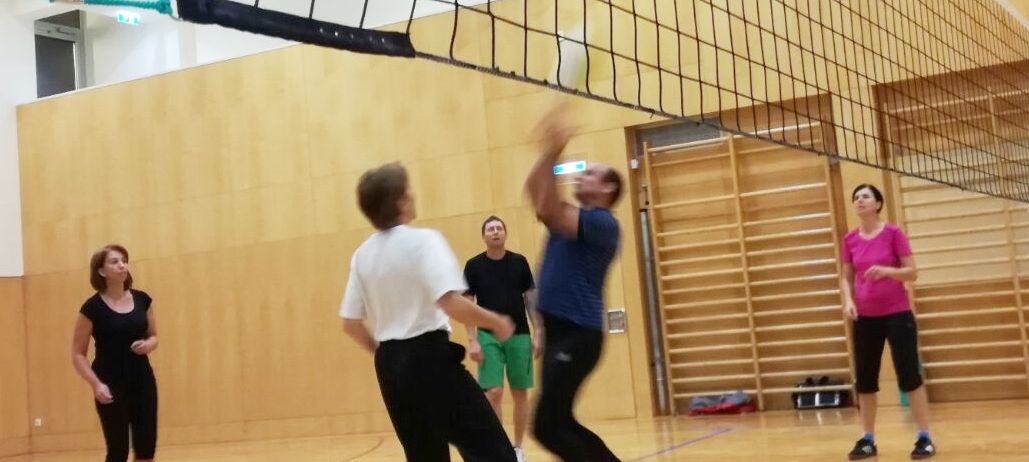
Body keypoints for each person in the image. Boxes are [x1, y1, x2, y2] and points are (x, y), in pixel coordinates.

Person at [339, 162, 518, 462]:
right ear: (401, 201)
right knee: (494, 453)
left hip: (390, 368)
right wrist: (496, 321)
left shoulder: (362, 255)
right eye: (408, 188)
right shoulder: (423, 241)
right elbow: (450, 302)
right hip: (430, 359)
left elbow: (350, 323)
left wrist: (388, 355)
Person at [525, 104, 623, 462]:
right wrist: (546, 151)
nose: (580, 176)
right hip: (557, 331)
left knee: (546, 426)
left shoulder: (603, 223)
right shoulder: (574, 216)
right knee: (558, 422)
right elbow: (537, 200)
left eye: (591, 174)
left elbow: (549, 208)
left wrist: (552, 150)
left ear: (608, 188)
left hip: (578, 333)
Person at [841, 184, 935, 460]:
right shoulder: (849, 239)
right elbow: (845, 277)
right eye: (856, 197)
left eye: (865, 196)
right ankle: (867, 439)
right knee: (866, 380)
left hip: (897, 314)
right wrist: (848, 300)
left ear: (878, 204)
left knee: (909, 375)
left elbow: (912, 272)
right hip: (865, 318)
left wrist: (887, 271)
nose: (859, 200)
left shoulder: (893, 233)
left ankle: (924, 437)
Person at [71, 244, 159, 462]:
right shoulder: (92, 308)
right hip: (109, 383)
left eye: (124, 260)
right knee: (118, 451)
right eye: (115, 261)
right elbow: (77, 353)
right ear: (101, 271)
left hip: (142, 380)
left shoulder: (142, 300)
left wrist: (149, 345)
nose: (122, 265)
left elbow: (154, 336)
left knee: (146, 449)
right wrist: (96, 384)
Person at [464, 215, 540, 462]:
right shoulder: (474, 266)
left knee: (520, 393)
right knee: (493, 392)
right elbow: (467, 304)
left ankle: (518, 448)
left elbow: (530, 298)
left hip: (519, 335)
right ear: (484, 236)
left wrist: (538, 331)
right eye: (490, 229)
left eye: (499, 228)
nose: (495, 232)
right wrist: (472, 339)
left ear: (505, 234)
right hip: (488, 336)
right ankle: (499, 449)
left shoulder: (519, 262)